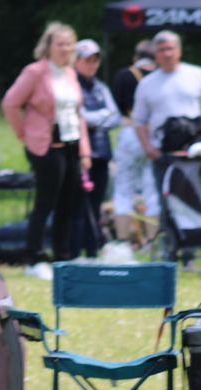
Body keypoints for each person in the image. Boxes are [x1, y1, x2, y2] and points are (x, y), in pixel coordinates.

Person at [2, 21, 91, 277]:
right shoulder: (36, 71)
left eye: (69, 44)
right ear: (49, 46)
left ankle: (62, 256)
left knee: (67, 203)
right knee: (46, 202)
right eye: (60, 44)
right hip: (46, 145)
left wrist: (85, 151)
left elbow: (78, 114)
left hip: (71, 144)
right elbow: (10, 103)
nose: (65, 49)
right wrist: (23, 133)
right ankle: (34, 257)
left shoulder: (71, 73)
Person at [132, 31, 201, 264]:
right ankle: (169, 251)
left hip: (194, 153)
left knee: (194, 200)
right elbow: (139, 120)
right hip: (164, 153)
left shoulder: (197, 75)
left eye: (171, 48)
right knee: (167, 204)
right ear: (155, 55)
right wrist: (148, 147)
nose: (167, 54)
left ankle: (191, 252)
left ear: (179, 50)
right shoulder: (148, 84)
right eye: (162, 50)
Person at [72, 38, 119, 257]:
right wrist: (98, 118)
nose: (92, 65)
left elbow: (115, 117)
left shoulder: (101, 88)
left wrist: (93, 119)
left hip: (101, 154)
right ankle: (73, 250)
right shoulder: (71, 84)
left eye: (95, 60)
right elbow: (78, 116)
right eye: (87, 60)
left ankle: (92, 250)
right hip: (79, 154)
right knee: (78, 205)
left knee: (96, 203)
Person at [111, 40, 159, 247]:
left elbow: (116, 108)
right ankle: (152, 242)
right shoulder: (161, 76)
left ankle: (123, 242)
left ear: (135, 57)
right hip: (155, 135)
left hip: (131, 132)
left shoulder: (125, 75)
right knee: (152, 190)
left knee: (124, 188)